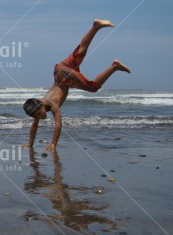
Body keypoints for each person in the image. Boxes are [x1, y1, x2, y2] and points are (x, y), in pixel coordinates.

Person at [22, 19, 130, 151]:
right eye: (36, 116)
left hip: (65, 77)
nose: (39, 117)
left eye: (38, 114)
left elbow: (58, 124)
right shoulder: (39, 105)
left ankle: (114, 67)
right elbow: (34, 126)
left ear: (40, 105)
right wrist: (30, 144)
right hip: (59, 69)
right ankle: (95, 27)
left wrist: (53, 144)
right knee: (81, 51)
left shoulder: (52, 104)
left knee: (93, 87)